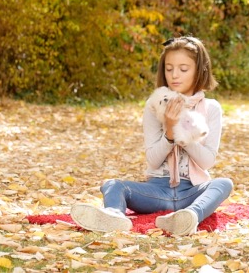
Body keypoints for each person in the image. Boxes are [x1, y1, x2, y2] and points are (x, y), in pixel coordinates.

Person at [70, 36, 233, 236]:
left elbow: (207, 161)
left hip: (191, 191)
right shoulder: (154, 105)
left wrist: (181, 133)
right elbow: (153, 160)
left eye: (183, 69)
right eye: (169, 68)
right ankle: (112, 216)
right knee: (113, 185)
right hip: (156, 192)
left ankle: (188, 216)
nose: (174, 75)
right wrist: (169, 133)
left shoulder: (211, 108)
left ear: (199, 70)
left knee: (223, 183)